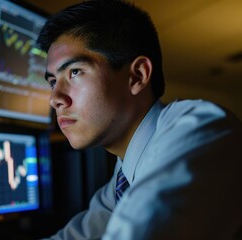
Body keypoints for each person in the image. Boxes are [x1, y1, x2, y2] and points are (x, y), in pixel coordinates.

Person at [36, 0, 242, 239]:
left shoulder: (201, 128)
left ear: (137, 76)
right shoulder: (123, 178)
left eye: (74, 72)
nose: (55, 99)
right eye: (52, 82)